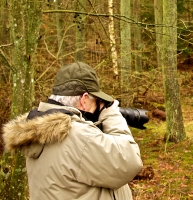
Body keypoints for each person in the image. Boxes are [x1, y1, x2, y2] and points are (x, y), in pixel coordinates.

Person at [2, 62, 143, 200]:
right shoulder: (76, 135)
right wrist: (112, 114)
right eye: (96, 103)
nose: (97, 109)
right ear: (84, 99)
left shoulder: (39, 130)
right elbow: (129, 160)